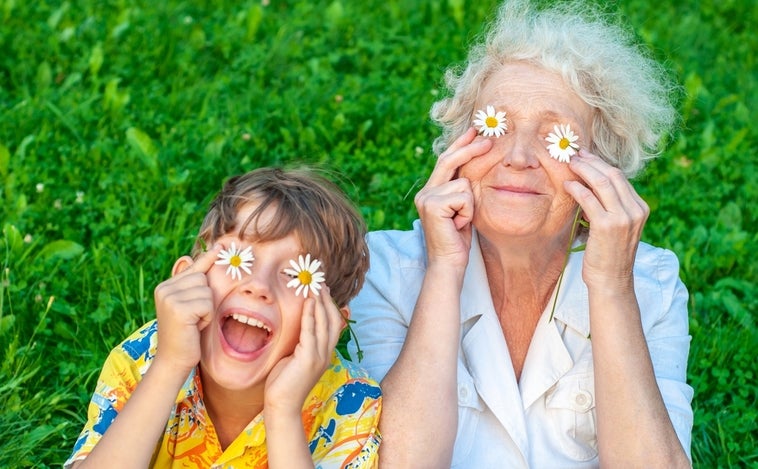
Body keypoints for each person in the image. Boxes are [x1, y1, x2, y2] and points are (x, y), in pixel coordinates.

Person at [348, 0, 693, 467]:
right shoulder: (388, 270)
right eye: (495, 123)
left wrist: (612, 288)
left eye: (558, 137)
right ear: (458, 149)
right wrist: (444, 269)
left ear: (602, 169)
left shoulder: (650, 285)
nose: (517, 156)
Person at [66, 167, 382, 468]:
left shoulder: (350, 405)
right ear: (187, 279)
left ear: (331, 326)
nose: (259, 285)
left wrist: (282, 412)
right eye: (238, 259)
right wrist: (170, 366)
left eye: (297, 275)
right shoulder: (142, 358)